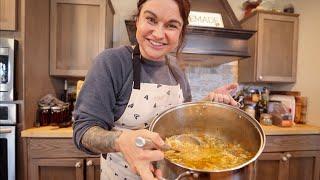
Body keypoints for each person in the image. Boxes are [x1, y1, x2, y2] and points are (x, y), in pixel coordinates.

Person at [73, 0, 238, 179]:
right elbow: (83, 132)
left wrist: (208, 103)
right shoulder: (112, 63)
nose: (159, 34)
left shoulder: (177, 71)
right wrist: (120, 141)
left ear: (181, 32)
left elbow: (184, 124)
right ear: (137, 20)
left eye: (171, 25)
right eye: (151, 19)